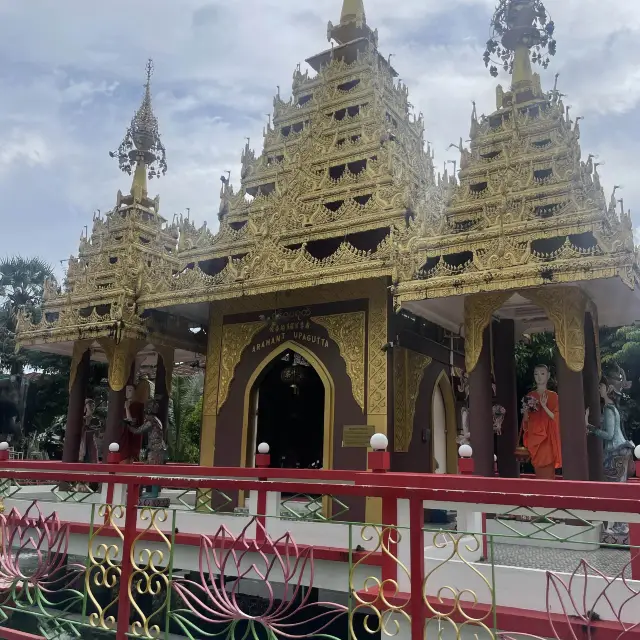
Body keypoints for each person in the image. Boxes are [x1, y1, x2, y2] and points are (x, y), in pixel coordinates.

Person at [587, 377, 635, 537]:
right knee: (619, 490)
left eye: (600, 386)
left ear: (607, 389)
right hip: (621, 451)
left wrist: (590, 428)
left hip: (615, 452)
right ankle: (621, 525)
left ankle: (620, 527)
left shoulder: (608, 409)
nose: (598, 389)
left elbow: (609, 435)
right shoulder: (612, 407)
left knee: (615, 491)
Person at [521, 364, 562, 479]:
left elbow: (556, 418)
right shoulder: (530, 396)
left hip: (547, 438)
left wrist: (544, 406)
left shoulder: (553, 396)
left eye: (542, 374)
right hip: (534, 438)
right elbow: (526, 423)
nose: (539, 377)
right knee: (538, 471)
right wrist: (525, 412)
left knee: (548, 471)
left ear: (548, 376)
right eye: (536, 374)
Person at [125, 397, 166, 499]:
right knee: (149, 470)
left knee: (153, 471)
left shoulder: (151, 421)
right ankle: (147, 492)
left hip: (156, 449)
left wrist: (127, 426)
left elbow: (138, 431)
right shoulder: (156, 420)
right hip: (157, 448)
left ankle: (153, 493)